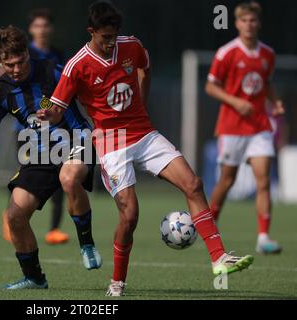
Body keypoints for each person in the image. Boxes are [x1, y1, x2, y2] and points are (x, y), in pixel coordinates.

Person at [39, 1, 254, 296]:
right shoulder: (78, 64)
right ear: (91, 32)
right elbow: (55, 107)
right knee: (130, 216)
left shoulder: (132, 46)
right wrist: (44, 110)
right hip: (111, 142)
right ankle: (117, 282)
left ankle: (219, 258)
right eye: (104, 37)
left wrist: (142, 103)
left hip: (143, 132)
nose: (110, 43)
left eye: (114, 36)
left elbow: (144, 68)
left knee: (193, 183)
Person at [0, 25, 102, 289]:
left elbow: (89, 95)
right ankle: (34, 277)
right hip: (40, 154)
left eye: (20, 62)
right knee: (14, 216)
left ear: (27, 55)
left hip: (77, 140)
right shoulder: (0, 91)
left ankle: (86, 244)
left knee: (69, 179)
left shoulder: (52, 70)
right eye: (9, 65)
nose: (17, 69)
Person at [206, 1, 284, 254]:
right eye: (244, 20)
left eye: (253, 20)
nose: (248, 25)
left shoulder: (267, 54)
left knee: (263, 180)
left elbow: (266, 83)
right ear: (237, 23)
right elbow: (211, 86)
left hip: (259, 125)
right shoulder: (226, 53)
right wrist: (235, 101)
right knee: (227, 181)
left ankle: (263, 238)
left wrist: (276, 102)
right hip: (231, 126)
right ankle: (209, 228)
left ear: (258, 23)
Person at [1, 8, 69, 245]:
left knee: (63, 175)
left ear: (50, 29)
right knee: (27, 175)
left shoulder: (58, 55)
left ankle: (54, 229)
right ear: (31, 29)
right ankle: (11, 214)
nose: (42, 29)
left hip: (56, 128)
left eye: (45, 25)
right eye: (37, 25)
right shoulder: (22, 54)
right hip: (26, 131)